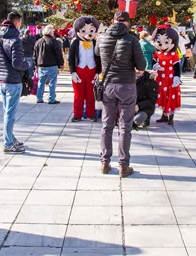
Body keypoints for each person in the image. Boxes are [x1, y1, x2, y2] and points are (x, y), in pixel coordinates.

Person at [96, 11, 146, 177]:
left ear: (113, 21)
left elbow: (98, 54)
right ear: (128, 23)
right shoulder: (132, 40)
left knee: (106, 125)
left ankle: (105, 162)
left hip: (108, 85)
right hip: (126, 86)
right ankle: (124, 165)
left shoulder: (101, 37)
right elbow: (141, 64)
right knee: (125, 126)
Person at [0, 12, 30, 154]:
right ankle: (8, 143)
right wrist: (27, 65)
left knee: (6, 112)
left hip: (2, 80)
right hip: (13, 80)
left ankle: (10, 138)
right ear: (16, 22)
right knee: (10, 114)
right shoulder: (15, 40)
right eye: (20, 22)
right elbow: (17, 63)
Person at [68, 17, 101, 121]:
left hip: (92, 71)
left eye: (91, 31)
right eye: (83, 31)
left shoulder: (96, 43)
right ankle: (77, 114)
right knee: (79, 95)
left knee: (91, 94)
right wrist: (73, 72)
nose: (88, 34)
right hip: (79, 71)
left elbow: (99, 58)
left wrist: (97, 72)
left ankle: (90, 113)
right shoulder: (75, 44)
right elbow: (71, 59)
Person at [152, 25, 182, 125]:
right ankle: (164, 115)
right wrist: (155, 66)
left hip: (170, 79)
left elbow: (177, 66)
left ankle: (171, 117)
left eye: (165, 41)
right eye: (159, 41)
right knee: (162, 97)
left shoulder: (173, 54)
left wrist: (177, 77)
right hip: (160, 78)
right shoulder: (157, 53)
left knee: (170, 97)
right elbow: (153, 61)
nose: (161, 44)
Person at [34, 25, 64, 105]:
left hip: (41, 65)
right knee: (52, 83)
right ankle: (51, 98)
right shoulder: (53, 41)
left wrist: (35, 63)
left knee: (41, 82)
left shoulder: (38, 41)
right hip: (52, 65)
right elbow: (58, 54)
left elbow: (35, 54)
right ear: (50, 32)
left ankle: (39, 98)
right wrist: (61, 63)